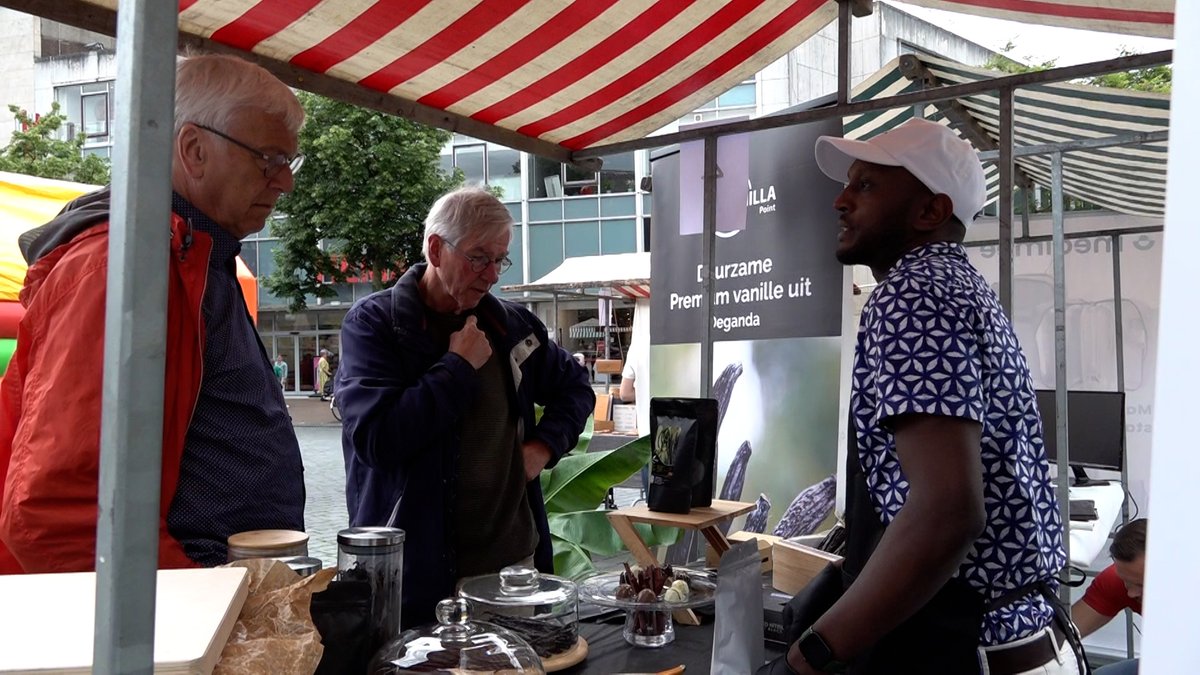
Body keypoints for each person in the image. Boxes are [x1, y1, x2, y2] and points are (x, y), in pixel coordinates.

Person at [760, 119, 1074, 674]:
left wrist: (812, 656)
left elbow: (947, 510)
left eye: (866, 186)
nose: (839, 200)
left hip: (964, 646)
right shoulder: (959, 286)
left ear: (929, 212)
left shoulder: (912, 294)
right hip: (1018, 637)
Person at [0, 53, 307, 573]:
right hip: (183, 623)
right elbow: (61, 512)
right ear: (194, 150)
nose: (286, 182)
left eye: (290, 163)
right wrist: (197, 608)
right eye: (269, 158)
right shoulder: (122, 267)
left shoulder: (194, 257)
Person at [336, 186, 595, 627]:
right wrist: (457, 367)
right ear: (436, 249)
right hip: (415, 579)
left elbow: (576, 389)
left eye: (500, 259)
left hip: (512, 571)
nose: (492, 274)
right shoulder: (376, 326)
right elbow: (375, 440)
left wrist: (544, 447)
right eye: (479, 257)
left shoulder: (512, 326)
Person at [1071, 519, 1146, 674]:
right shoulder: (1116, 579)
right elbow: (1063, 637)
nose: (1131, 593)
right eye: (1126, 581)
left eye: (1142, 585)